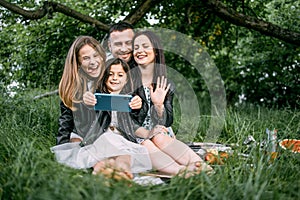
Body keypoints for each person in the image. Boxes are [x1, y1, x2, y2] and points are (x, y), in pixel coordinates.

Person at [52, 36, 151, 180]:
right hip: (86, 135)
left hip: (107, 133)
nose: (92, 62)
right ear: (78, 62)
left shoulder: (108, 77)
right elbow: (66, 119)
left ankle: (122, 171)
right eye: (86, 58)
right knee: (101, 156)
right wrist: (62, 146)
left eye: (95, 56)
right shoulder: (74, 86)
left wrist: (138, 104)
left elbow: (127, 101)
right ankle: (103, 171)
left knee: (120, 152)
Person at [130, 30, 214, 177]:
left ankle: (200, 166)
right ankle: (181, 172)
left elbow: (168, 120)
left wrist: (158, 105)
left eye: (145, 46)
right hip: (135, 133)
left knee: (159, 137)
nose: (140, 51)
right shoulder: (127, 80)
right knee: (147, 142)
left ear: (156, 52)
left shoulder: (165, 83)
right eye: (136, 48)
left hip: (160, 133)